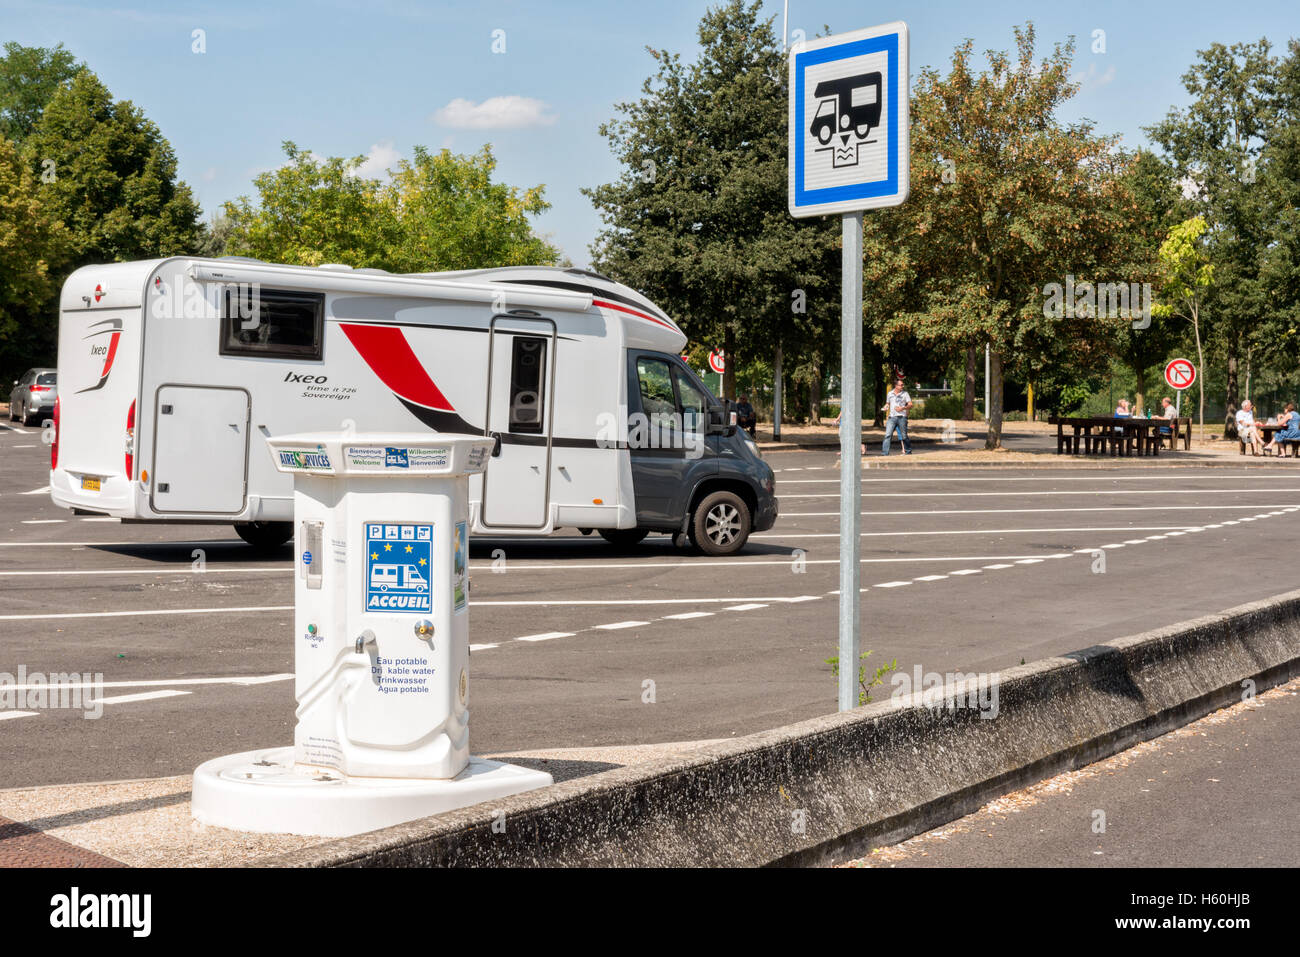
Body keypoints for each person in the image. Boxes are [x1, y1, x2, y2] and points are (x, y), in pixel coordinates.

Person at [881, 378, 913, 455]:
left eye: (903, 385)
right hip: (892, 418)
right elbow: (887, 403)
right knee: (888, 435)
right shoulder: (890, 394)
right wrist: (885, 407)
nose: (903, 386)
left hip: (902, 417)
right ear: (896, 385)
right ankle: (885, 453)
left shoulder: (905, 394)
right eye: (901, 385)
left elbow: (910, 405)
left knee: (904, 436)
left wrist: (903, 408)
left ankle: (908, 451)